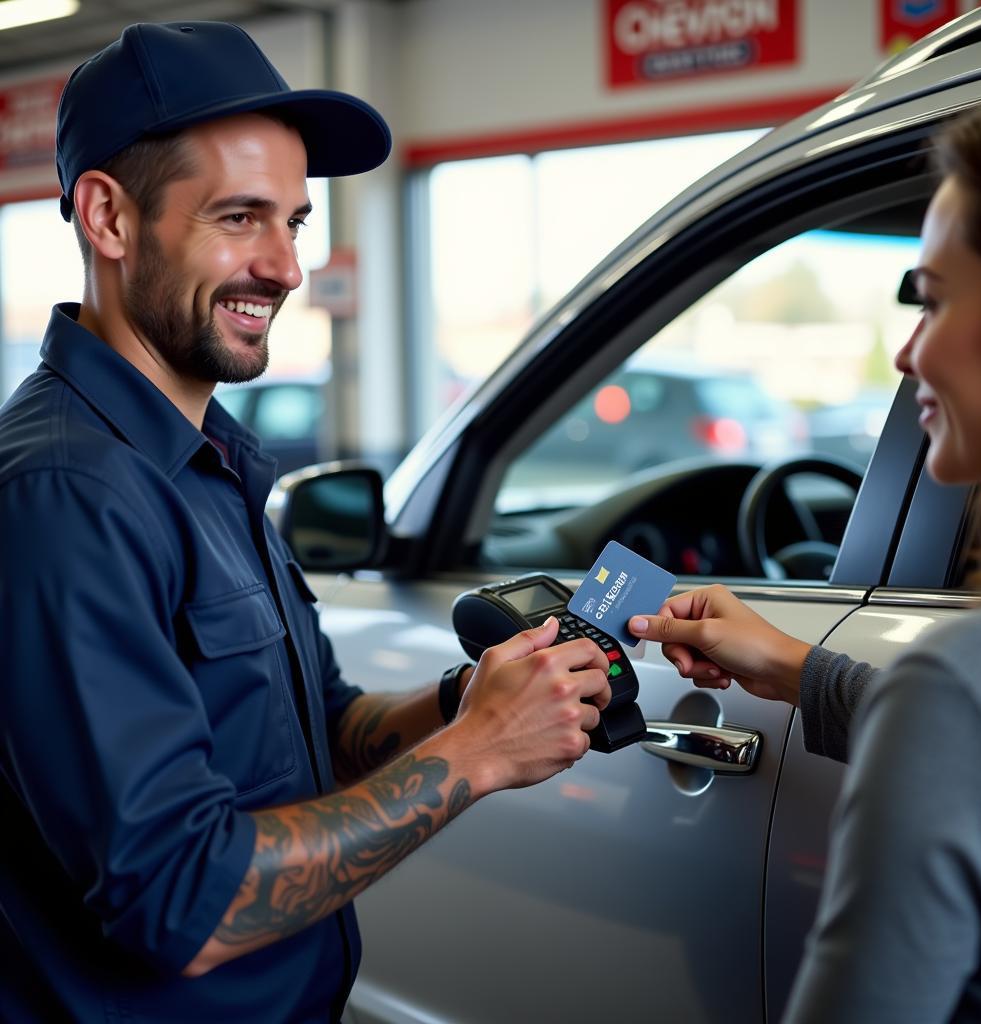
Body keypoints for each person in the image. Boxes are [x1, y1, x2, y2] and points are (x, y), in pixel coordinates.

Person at [0, 22, 612, 1023]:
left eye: (294, 221)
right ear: (109, 219)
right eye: (240, 218)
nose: (285, 268)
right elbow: (179, 904)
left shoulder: (210, 464)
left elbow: (323, 731)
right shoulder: (66, 497)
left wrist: (475, 698)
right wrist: (477, 756)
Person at [629, 93, 981, 1022]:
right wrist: (795, 667)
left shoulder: (961, 696)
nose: (907, 354)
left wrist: (925, 716)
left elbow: (974, 727)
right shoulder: (965, 703)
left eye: (931, 300)